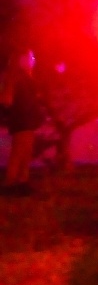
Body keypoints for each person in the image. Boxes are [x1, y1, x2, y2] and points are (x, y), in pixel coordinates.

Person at [3, 50, 45, 193]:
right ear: (22, 60)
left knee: (26, 152)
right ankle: (10, 184)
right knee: (19, 152)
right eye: (30, 57)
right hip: (22, 120)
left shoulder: (27, 77)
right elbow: (6, 100)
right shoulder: (17, 78)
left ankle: (22, 181)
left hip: (28, 120)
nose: (33, 59)